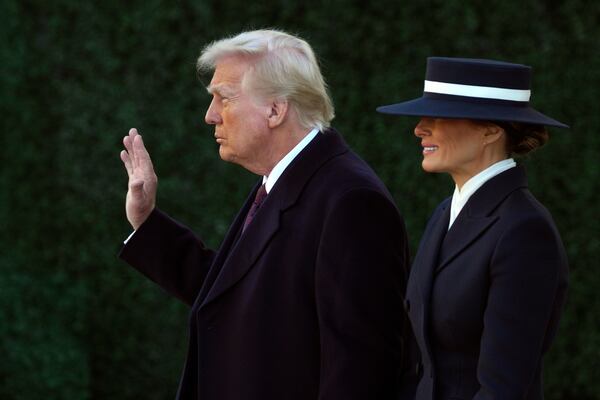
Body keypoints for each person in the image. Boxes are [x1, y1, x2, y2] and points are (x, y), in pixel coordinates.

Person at [119, 29, 413, 400]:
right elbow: (236, 292)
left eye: (223, 99)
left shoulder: (351, 201)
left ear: (276, 109)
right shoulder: (283, 179)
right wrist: (147, 222)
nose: (211, 116)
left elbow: (361, 370)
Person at [377, 57, 569, 399]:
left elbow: (502, 388)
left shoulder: (524, 230)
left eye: (439, 116)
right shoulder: (445, 214)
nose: (419, 129)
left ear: (490, 131)